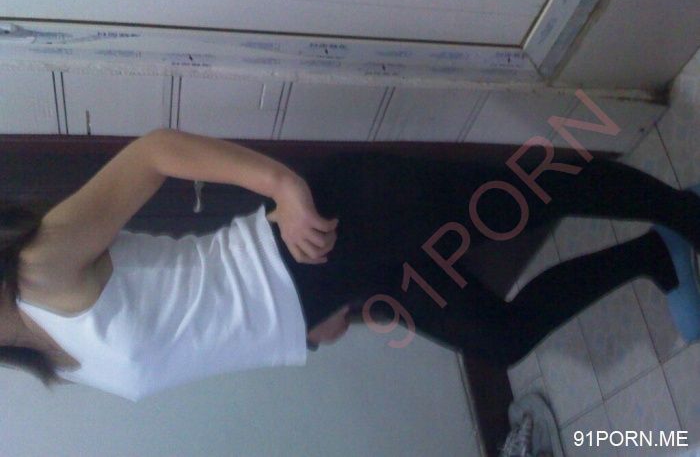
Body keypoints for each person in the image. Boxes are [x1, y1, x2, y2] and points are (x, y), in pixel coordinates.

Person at [1, 128, 699, 402]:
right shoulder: (51, 359)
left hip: (333, 228)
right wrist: (304, 334)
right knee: (501, 337)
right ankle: (653, 252)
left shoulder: (39, 267)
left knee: (537, 194)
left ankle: (682, 210)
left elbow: (152, 153)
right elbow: (197, 329)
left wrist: (280, 184)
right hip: (330, 288)